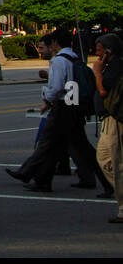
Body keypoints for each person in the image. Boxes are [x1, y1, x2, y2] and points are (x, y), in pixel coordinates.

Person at [6, 29, 101, 192]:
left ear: (55, 43)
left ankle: (30, 173)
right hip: (74, 105)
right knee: (65, 145)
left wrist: (47, 100)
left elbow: (57, 86)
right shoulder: (73, 57)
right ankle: (80, 177)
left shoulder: (58, 61)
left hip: (62, 107)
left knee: (48, 143)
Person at [92, 33, 123, 222]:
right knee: (104, 158)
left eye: (99, 50)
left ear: (108, 51)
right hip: (108, 120)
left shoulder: (115, 66)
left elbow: (103, 90)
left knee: (115, 161)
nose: (96, 54)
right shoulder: (112, 66)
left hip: (115, 121)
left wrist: (97, 71)